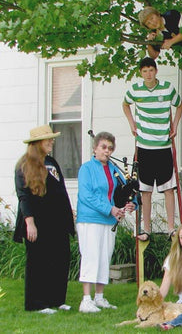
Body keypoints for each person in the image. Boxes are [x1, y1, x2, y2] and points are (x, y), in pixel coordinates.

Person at [14, 125, 75, 314]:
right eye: (48, 138)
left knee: (59, 259)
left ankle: (57, 299)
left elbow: (60, 189)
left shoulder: (51, 161)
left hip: (56, 222)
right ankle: (37, 303)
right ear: (37, 143)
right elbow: (23, 196)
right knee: (39, 262)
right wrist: (29, 222)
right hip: (38, 222)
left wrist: (68, 213)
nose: (52, 141)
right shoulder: (24, 165)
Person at [123, 57, 182, 241]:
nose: (148, 74)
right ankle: (146, 228)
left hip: (163, 145)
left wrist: (175, 125)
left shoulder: (167, 88)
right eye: (144, 71)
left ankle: (171, 227)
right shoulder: (135, 90)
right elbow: (125, 104)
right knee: (145, 190)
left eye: (151, 70)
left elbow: (179, 105)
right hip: (144, 146)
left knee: (168, 188)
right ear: (141, 73)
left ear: (156, 71)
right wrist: (132, 123)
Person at [77, 131, 136, 313]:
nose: (107, 151)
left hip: (109, 220)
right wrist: (109, 208)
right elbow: (87, 196)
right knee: (91, 256)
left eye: (110, 148)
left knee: (104, 257)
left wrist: (131, 204)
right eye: (103, 147)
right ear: (95, 148)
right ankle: (86, 300)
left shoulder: (114, 169)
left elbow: (126, 189)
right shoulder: (86, 169)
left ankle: (99, 297)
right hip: (90, 218)